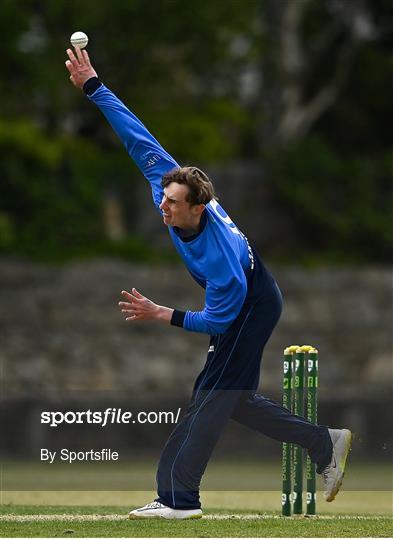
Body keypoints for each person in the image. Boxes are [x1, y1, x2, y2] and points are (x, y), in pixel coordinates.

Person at [65, 47, 352, 520]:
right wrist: (94, 86)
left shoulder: (221, 262)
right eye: (165, 197)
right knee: (233, 399)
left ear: (198, 208)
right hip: (251, 294)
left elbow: (219, 318)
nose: (164, 207)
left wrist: (162, 313)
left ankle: (179, 498)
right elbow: (135, 133)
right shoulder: (167, 182)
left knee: (211, 394)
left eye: (174, 203)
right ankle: (324, 442)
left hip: (251, 304)